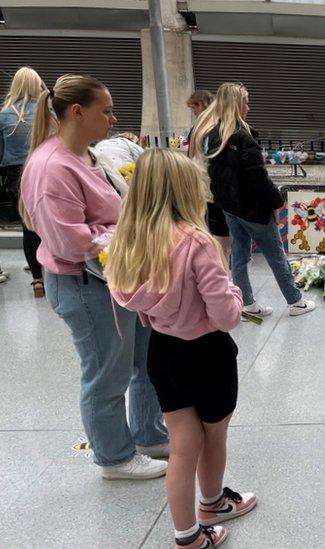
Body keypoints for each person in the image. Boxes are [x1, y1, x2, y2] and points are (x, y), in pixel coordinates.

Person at [19, 74, 169, 478]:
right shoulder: (52, 168)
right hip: (87, 287)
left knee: (144, 360)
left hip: (120, 278)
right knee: (106, 373)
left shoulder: (90, 156)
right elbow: (71, 242)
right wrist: (127, 234)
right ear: (77, 112)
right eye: (105, 111)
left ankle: (148, 434)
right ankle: (114, 457)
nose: (113, 118)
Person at [107, 149, 256, 549]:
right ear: (186, 191)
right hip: (208, 354)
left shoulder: (131, 243)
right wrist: (236, 292)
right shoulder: (197, 243)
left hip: (164, 352)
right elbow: (225, 316)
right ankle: (213, 502)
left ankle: (186, 535)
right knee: (215, 436)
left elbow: (128, 297)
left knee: (181, 448)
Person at [189, 83, 314, 317]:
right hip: (254, 209)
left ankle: (247, 304)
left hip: (229, 208)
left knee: (239, 257)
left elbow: (213, 175)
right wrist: (277, 202)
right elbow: (259, 178)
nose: (248, 106)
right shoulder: (243, 137)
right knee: (276, 255)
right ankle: (295, 301)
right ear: (237, 104)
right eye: (246, 101)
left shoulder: (212, 135)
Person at [0, 66, 46, 295]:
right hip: (46, 171)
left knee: (28, 227)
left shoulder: (3, 114)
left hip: (16, 175)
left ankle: (38, 279)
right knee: (49, 223)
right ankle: (53, 268)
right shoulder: (48, 111)